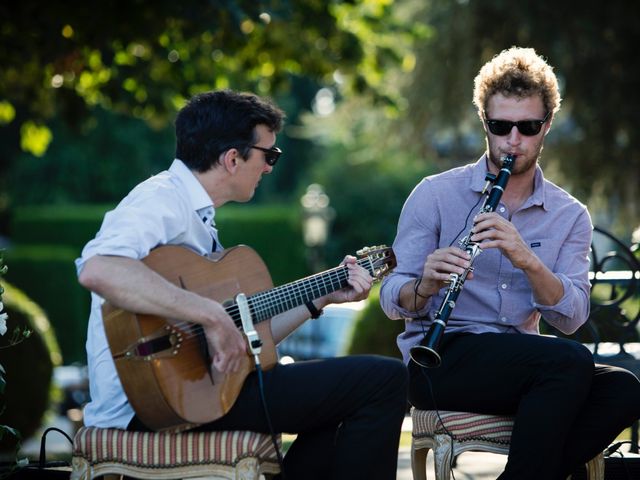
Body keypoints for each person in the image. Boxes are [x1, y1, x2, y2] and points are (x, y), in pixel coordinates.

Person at [76, 89, 408, 480]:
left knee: (338, 405)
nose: (269, 167)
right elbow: (98, 268)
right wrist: (211, 316)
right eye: (269, 155)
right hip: (147, 408)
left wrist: (321, 297)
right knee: (383, 381)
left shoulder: (198, 218)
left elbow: (255, 338)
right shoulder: (161, 198)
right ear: (233, 158)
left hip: (194, 396)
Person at [380, 47, 640, 479]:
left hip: (526, 367)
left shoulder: (569, 214)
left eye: (527, 127)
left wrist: (527, 259)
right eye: (500, 127)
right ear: (485, 123)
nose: (513, 141)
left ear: (546, 127)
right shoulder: (435, 194)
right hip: (440, 360)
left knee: (625, 388)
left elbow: (572, 316)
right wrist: (424, 285)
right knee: (568, 363)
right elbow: (392, 297)